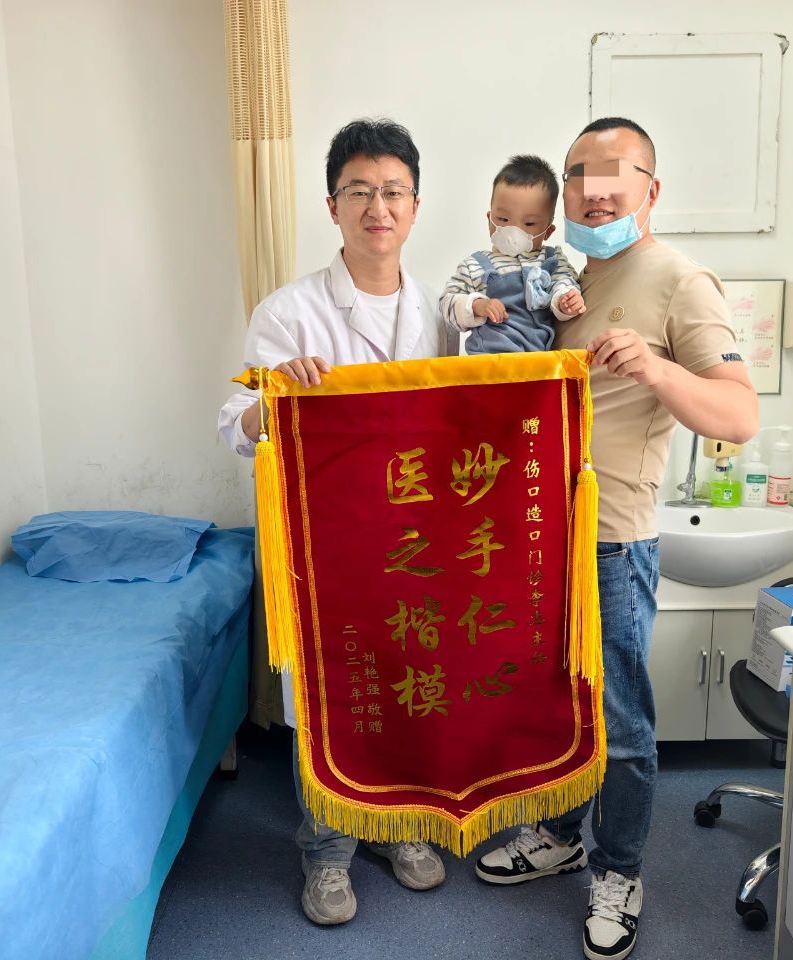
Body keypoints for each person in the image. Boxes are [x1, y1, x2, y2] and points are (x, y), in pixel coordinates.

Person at [473, 117, 759, 960]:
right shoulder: (564, 276)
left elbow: (739, 414)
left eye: (613, 175)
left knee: (621, 722)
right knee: (557, 707)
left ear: (649, 188)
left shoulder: (678, 280)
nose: (593, 192)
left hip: (611, 543)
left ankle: (620, 870)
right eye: (578, 176)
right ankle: (561, 835)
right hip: (540, 542)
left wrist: (658, 368)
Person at [217, 118, 456, 926]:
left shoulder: (442, 318)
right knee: (329, 700)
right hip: (323, 552)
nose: (376, 207)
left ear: (415, 207)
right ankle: (327, 852)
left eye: (392, 192)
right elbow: (233, 424)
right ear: (332, 206)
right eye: (359, 191)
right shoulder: (288, 313)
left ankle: (401, 828)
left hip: (418, 546)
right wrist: (275, 396)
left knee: (409, 692)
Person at [439, 154, 584, 353]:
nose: (513, 230)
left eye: (529, 223)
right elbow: (446, 304)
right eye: (503, 219)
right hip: (489, 361)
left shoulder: (551, 260)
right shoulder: (474, 265)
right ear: (489, 219)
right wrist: (477, 305)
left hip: (539, 362)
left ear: (548, 231)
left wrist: (565, 300)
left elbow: (566, 282)